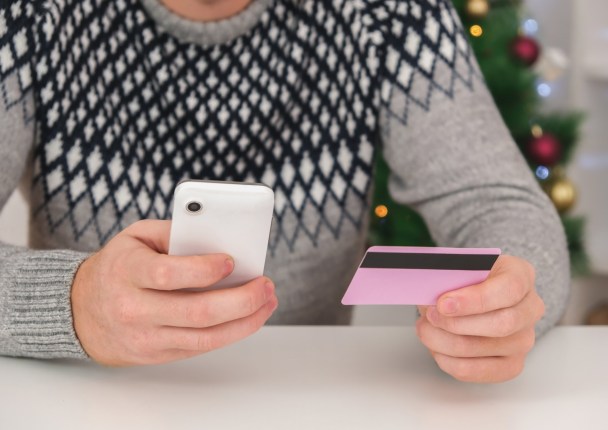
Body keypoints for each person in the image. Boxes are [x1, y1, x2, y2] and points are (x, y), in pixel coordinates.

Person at [0, 0, 569, 383]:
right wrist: (73, 305)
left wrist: (508, 301)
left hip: (308, 398)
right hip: (88, 397)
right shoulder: (27, 16)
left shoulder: (391, 12)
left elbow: (499, 204)